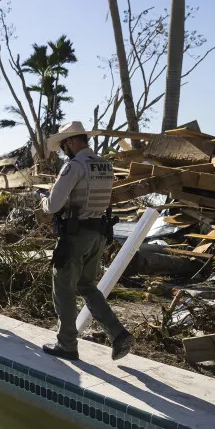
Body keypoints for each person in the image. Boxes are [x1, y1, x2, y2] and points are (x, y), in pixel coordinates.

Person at [37, 121, 133, 361]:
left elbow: (54, 206)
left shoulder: (74, 166)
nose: (63, 151)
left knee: (64, 289)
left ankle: (67, 344)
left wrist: (43, 199)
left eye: (63, 146)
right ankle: (118, 334)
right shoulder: (104, 165)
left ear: (70, 142)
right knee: (87, 286)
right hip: (98, 234)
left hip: (75, 237)